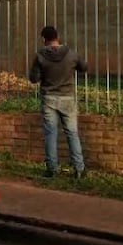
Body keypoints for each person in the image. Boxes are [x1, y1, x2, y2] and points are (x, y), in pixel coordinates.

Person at [28, 25, 88, 179]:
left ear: (43, 39)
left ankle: (52, 169)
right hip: (67, 97)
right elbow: (84, 67)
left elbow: (33, 79)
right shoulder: (71, 54)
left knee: (50, 134)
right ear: (58, 37)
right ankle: (79, 168)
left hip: (49, 98)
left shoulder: (40, 56)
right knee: (72, 133)